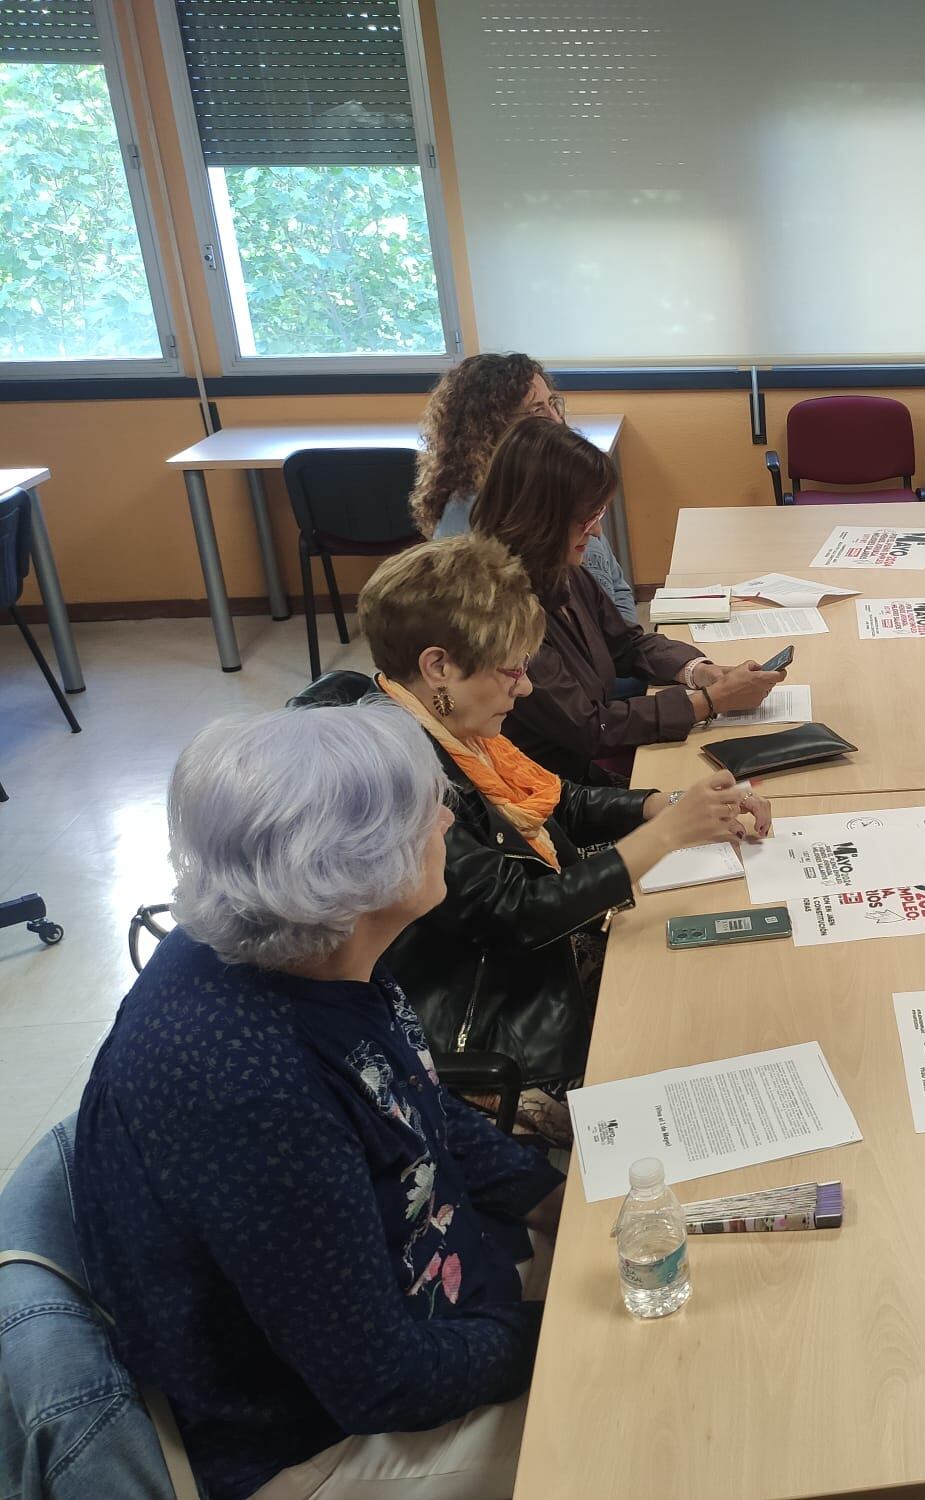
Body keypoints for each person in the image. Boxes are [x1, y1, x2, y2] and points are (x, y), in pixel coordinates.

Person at [73, 703, 560, 1500]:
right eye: (422, 812)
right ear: (355, 866)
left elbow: (419, 1111)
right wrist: (569, 1336)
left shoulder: (312, 938)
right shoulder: (245, 1088)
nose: (446, 817)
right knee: (665, 1416)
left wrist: (559, 1202)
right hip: (318, 1438)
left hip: (430, 1295)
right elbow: (381, 1382)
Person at [295, 534, 770, 1118]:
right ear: (438, 666)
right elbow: (517, 912)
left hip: (535, 960)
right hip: (501, 1015)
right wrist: (666, 835)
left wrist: (663, 804)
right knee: (715, 1027)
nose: (526, 687)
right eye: (511, 670)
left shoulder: (443, 726)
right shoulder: (397, 782)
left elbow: (554, 799)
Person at [468, 418, 783, 782]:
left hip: (583, 767)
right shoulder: (501, 612)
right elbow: (588, 728)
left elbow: (627, 643)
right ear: (540, 518)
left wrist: (700, 672)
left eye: (597, 514)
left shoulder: (556, 568)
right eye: (586, 519)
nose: (598, 530)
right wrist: (709, 702)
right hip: (556, 787)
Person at [412, 351, 640, 625]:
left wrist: (628, 644)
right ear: (487, 427)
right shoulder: (471, 528)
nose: (556, 420)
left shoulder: (558, 485)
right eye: (536, 411)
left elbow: (617, 587)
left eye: (553, 404)